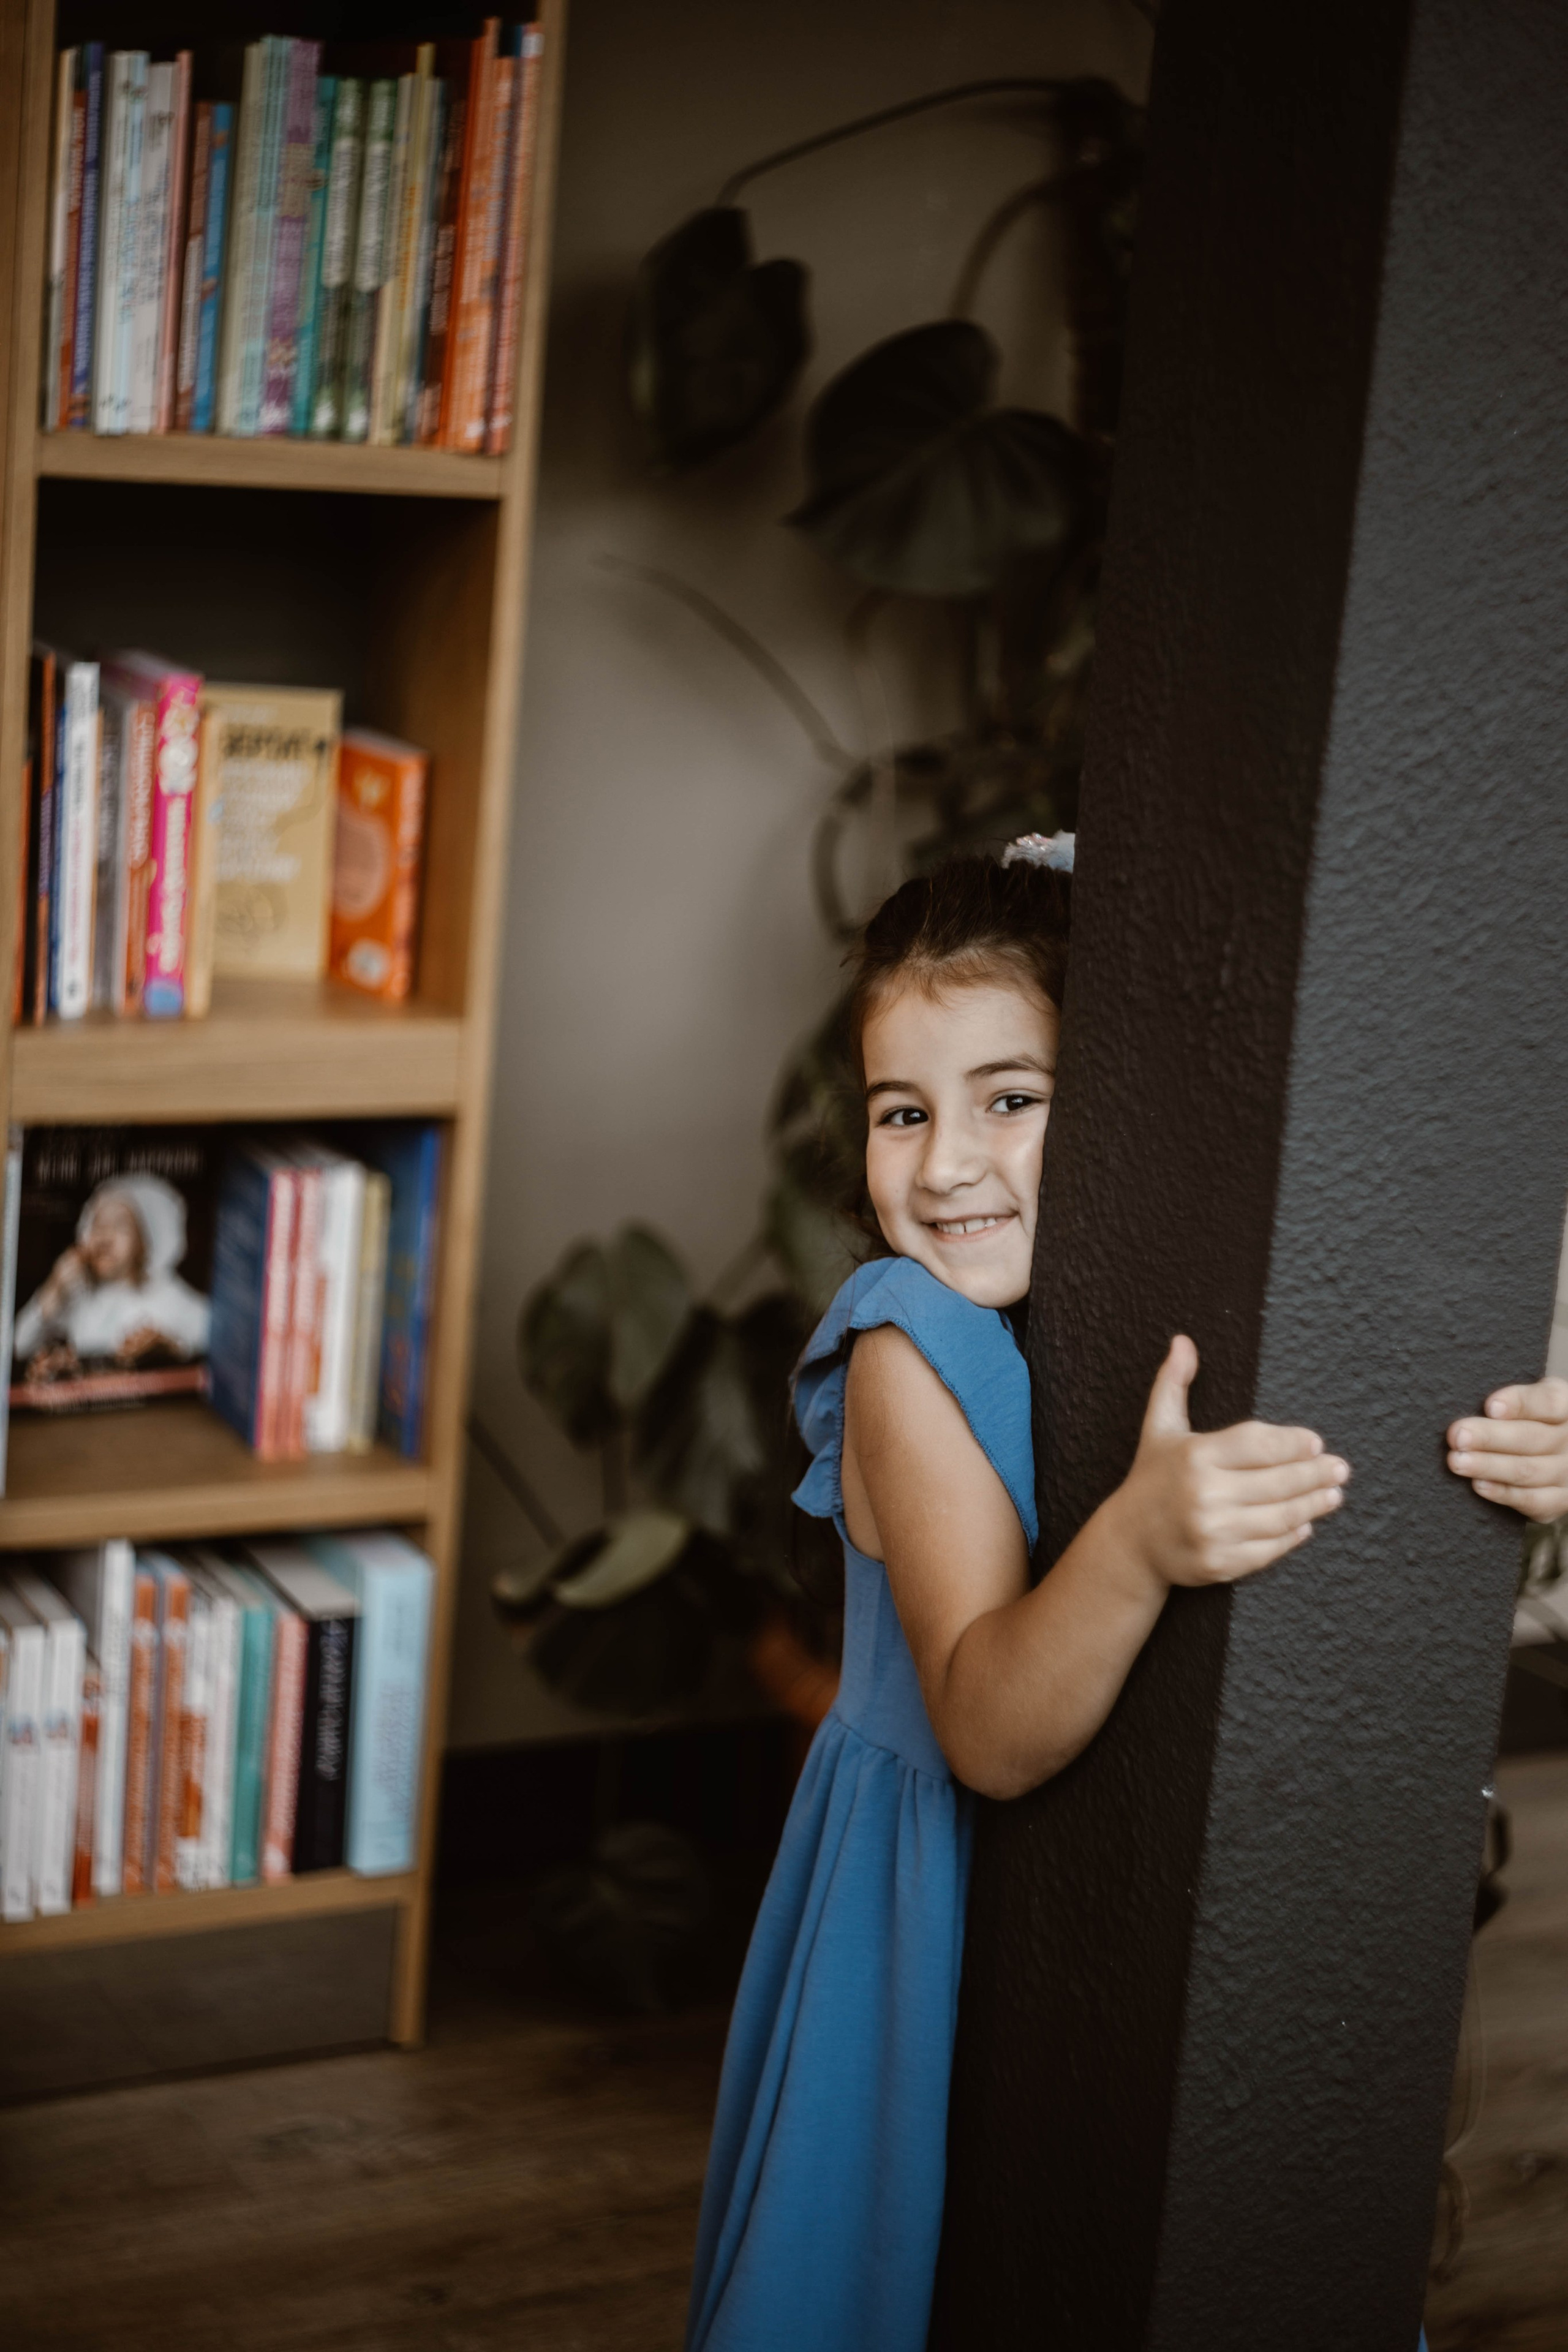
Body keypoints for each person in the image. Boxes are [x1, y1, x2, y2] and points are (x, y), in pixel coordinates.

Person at [685, 841, 1568, 2352]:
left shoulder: (1149, 1310)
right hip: (927, 1913)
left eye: (1007, 1099)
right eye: (903, 1110)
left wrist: (1515, 1469)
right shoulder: (905, 1346)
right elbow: (982, 1726)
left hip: (1130, 1899)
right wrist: (1136, 1543)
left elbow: (1337, 1489)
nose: (944, 1164)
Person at [13, 1172, 211, 1385]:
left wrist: (169, 1348)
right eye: (98, 1224)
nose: (104, 1238)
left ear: (145, 1240)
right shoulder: (80, 1294)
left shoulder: (172, 1296)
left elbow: (214, 1341)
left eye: (120, 1225)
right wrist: (54, 1288)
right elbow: (21, 1345)